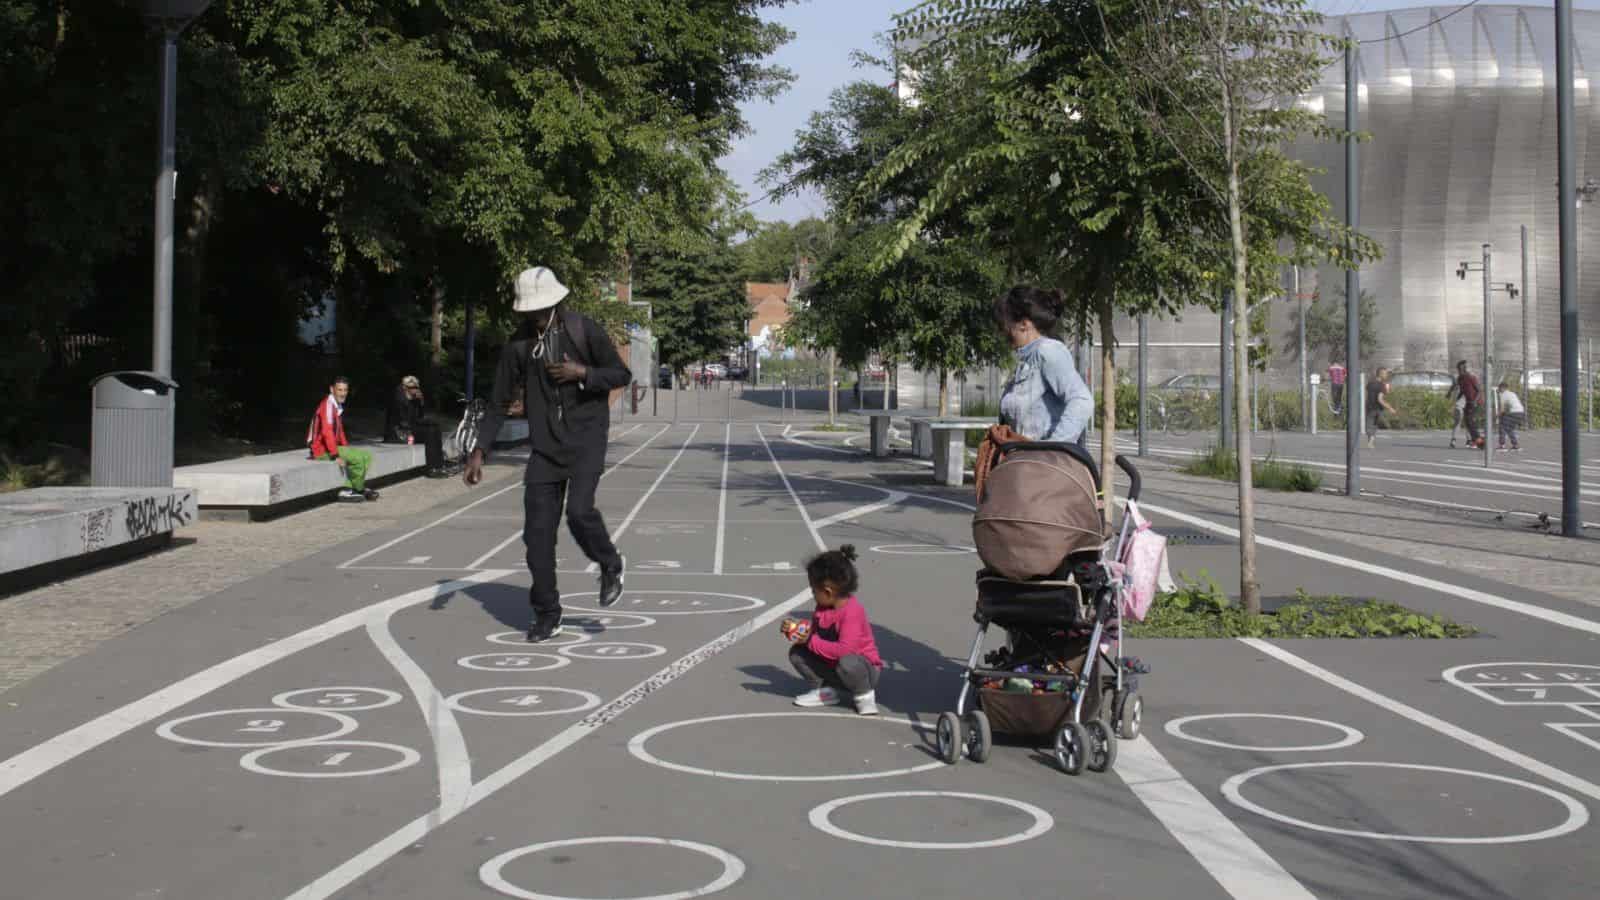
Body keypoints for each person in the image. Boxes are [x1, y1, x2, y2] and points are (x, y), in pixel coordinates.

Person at [464, 266, 633, 642]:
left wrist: (582, 373)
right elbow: (498, 402)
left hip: (587, 438)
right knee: (536, 536)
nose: (534, 317)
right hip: (545, 447)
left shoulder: (583, 329)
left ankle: (610, 563)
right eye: (528, 312)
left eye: (540, 310)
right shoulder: (518, 346)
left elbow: (621, 375)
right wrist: (480, 450)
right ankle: (548, 613)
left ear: (556, 303)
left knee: (579, 512)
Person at [785, 545, 882, 716]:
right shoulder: (822, 607)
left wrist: (809, 640)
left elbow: (845, 650)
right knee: (797, 654)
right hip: (836, 666)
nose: (812, 594)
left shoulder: (852, 612)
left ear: (828, 592)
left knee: (848, 662)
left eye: (814, 590)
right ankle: (826, 690)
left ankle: (864, 695)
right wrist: (798, 630)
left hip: (864, 671)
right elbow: (815, 635)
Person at [994, 286, 1094, 444]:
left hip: (1043, 461)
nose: (1002, 332)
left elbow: (1082, 400)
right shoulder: (1028, 358)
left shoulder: (1048, 351)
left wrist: (1053, 446)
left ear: (1024, 324)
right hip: (1024, 456)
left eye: (1004, 326)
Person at [309, 376, 378, 502]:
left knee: (366, 456)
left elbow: (339, 431)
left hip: (332, 448)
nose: (343, 393)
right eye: (339, 390)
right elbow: (327, 432)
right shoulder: (328, 406)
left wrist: (346, 449)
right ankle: (350, 490)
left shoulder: (336, 405)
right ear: (332, 389)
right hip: (321, 451)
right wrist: (336, 455)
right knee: (357, 459)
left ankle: (356, 488)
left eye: (345, 390)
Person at [385, 375, 448, 477]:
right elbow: (403, 421)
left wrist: (421, 402)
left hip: (409, 428)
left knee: (435, 429)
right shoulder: (398, 398)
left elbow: (419, 417)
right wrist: (412, 402)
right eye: (412, 388)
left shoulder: (413, 398)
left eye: (416, 388)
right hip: (399, 433)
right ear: (405, 387)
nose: (415, 390)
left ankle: (439, 465)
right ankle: (431, 469)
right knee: (430, 432)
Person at [1365, 367, 1396, 449]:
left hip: (1369, 407)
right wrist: (1390, 408)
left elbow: (1367, 395)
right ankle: (1371, 442)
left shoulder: (1370, 383)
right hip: (1378, 408)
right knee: (1374, 425)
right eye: (1385, 374)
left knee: (1369, 425)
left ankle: (1370, 441)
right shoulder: (1382, 385)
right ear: (1381, 374)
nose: (1386, 375)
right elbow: (1380, 399)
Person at [1456, 360, 1485, 449]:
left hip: (1476, 402)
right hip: (1468, 402)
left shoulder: (1471, 377)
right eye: (1459, 369)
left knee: (1470, 420)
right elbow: (1462, 390)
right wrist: (1457, 398)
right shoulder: (1460, 379)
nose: (1460, 371)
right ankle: (1477, 440)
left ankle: (1479, 440)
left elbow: (1479, 390)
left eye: (1462, 368)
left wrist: (1475, 401)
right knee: (1467, 422)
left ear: (1464, 369)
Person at [1496, 380, 1525, 451]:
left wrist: (1497, 416)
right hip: (1520, 412)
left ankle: (1502, 446)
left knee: (1502, 427)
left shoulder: (1503, 395)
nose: (1498, 390)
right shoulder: (1512, 393)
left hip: (1513, 413)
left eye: (1499, 388)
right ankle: (1516, 445)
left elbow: (1502, 409)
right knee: (1509, 429)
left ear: (1503, 388)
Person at [1446, 370, 1468, 448]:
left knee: (1458, 424)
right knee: (1466, 424)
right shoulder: (1459, 387)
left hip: (1459, 407)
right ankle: (1468, 441)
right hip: (1461, 407)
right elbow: (1455, 398)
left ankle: (1454, 440)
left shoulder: (1455, 388)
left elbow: (1451, 398)